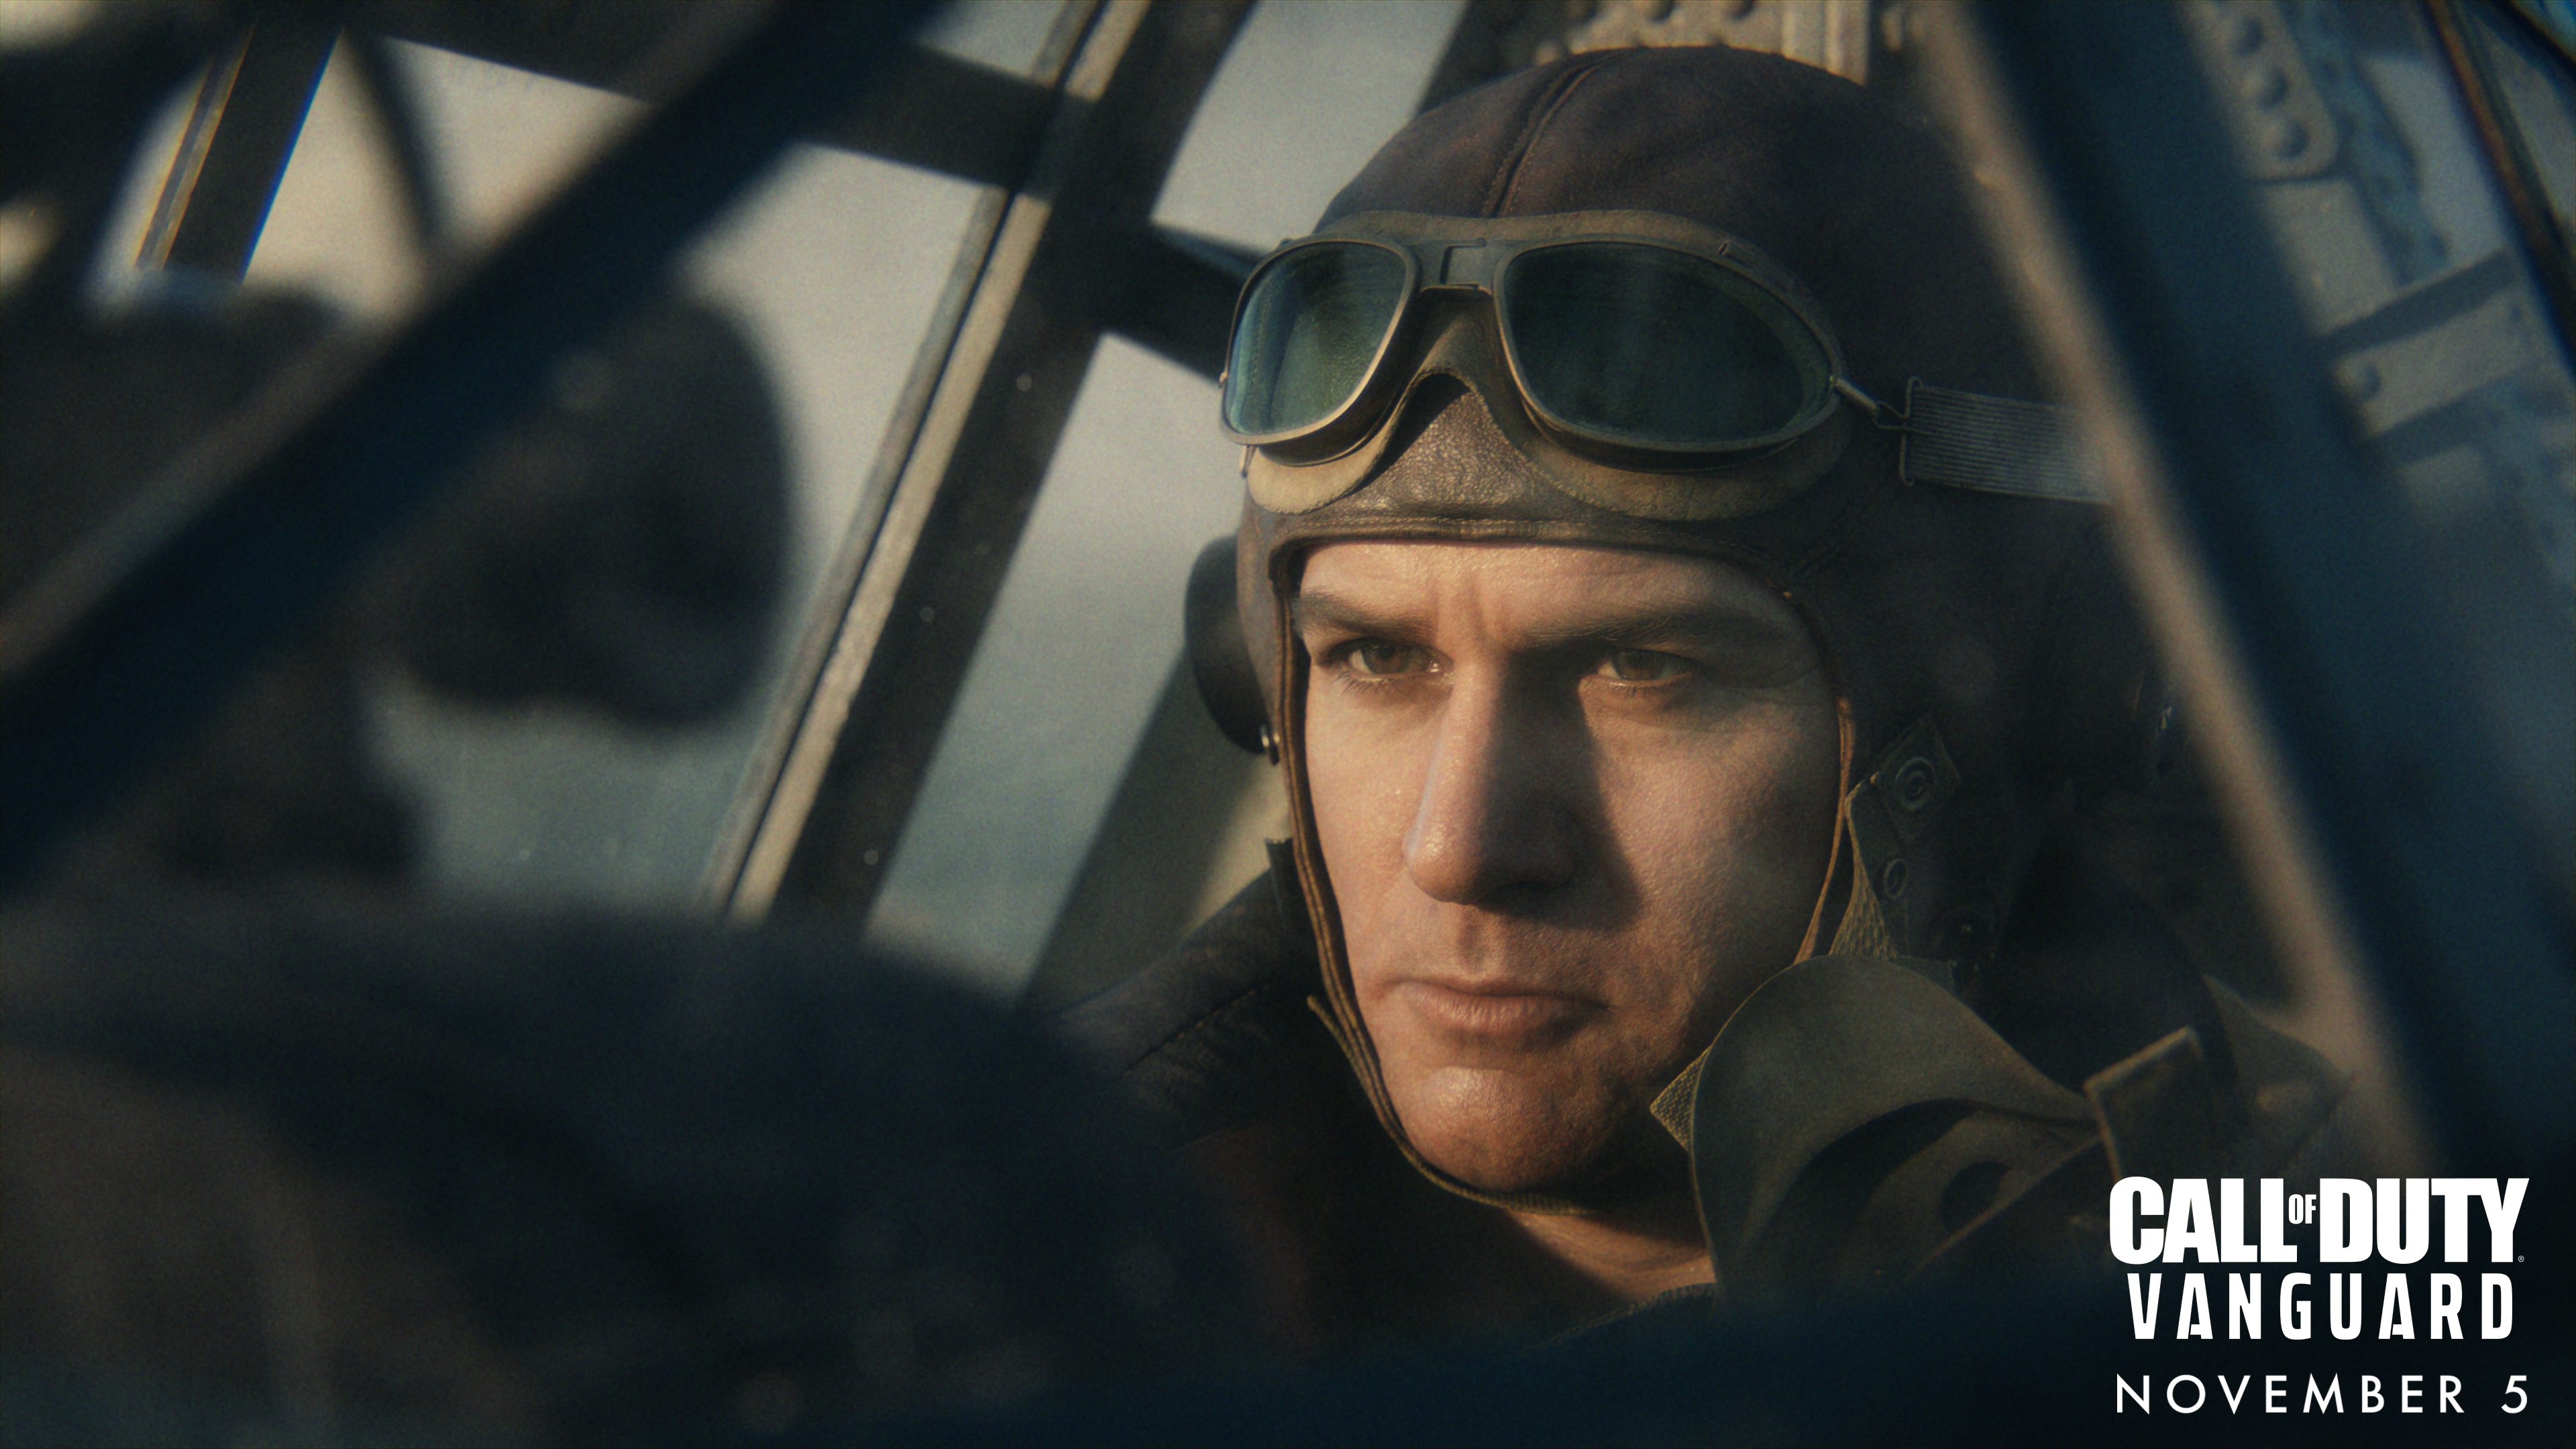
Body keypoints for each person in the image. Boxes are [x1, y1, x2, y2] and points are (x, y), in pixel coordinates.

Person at [1064, 44, 2343, 1351]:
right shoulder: (1005, 1272)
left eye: (1644, 668)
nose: (1460, 847)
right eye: (1379, 660)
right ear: (1262, 677)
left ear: (2004, 712)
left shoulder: (2320, 1326)